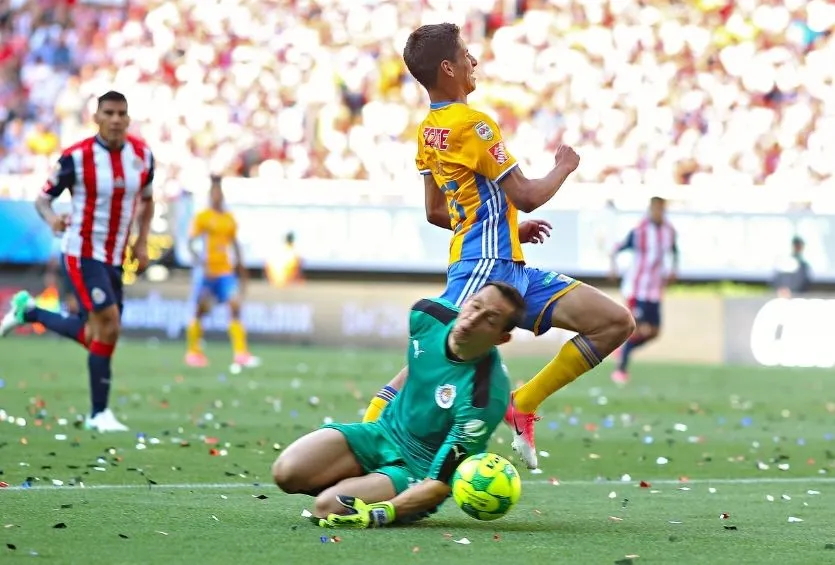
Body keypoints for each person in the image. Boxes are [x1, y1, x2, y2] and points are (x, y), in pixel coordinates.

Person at [361, 23, 635, 470]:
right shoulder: (473, 124)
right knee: (434, 358)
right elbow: (526, 194)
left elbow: (437, 212)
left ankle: (522, 402)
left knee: (614, 323)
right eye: (467, 54)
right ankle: (370, 431)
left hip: (506, 264)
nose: (474, 62)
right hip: (482, 270)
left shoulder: (429, 131)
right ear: (448, 68)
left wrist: (510, 231)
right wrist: (564, 167)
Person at [272, 282, 525, 528]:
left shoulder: (485, 396)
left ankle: (378, 488)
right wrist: (376, 408)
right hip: (381, 432)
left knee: (327, 508)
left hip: (418, 469)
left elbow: (439, 483)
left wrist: (386, 512)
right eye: (474, 306)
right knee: (286, 473)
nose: (472, 320)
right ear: (466, 301)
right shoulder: (426, 315)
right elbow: (421, 364)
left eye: (489, 320)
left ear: (501, 339)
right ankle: (366, 482)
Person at [0, 91, 154, 432]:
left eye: (122, 113)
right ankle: (99, 414)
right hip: (82, 252)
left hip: (115, 256)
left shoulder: (142, 156)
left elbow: (147, 199)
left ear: (128, 119)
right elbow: (43, 200)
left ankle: (30, 312)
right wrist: (52, 219)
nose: (116, 119)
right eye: (109, 113)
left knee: (94, 333)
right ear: (96, 117)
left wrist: (141, 242)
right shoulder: (76, 158)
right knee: (110, 324)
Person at [184, 175, 259, 368]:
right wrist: (199, 261)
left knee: (235, 306)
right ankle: (193, 352)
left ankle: (241, 353)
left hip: (225, 272)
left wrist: (241, 265)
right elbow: (191, 241)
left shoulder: (229, 219)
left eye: (220, 193)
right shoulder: (203, 217)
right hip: (208, 273)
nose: (217, 197)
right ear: (210, 195)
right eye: (214, 193)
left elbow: (234, 243)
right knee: (201, 311)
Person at [609, 196, 678, 384]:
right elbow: (617, 248)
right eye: (656, 209)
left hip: (655, 290)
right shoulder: (640, 231)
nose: (659, 213)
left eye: (662, 209)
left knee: (654, 332)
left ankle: (624, 349)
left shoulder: (669, 231)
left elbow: (674, 251)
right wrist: (613, 267)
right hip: (636, 289)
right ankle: (621, 370)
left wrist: (673, 270)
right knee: (638, 329)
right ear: (650, 209)